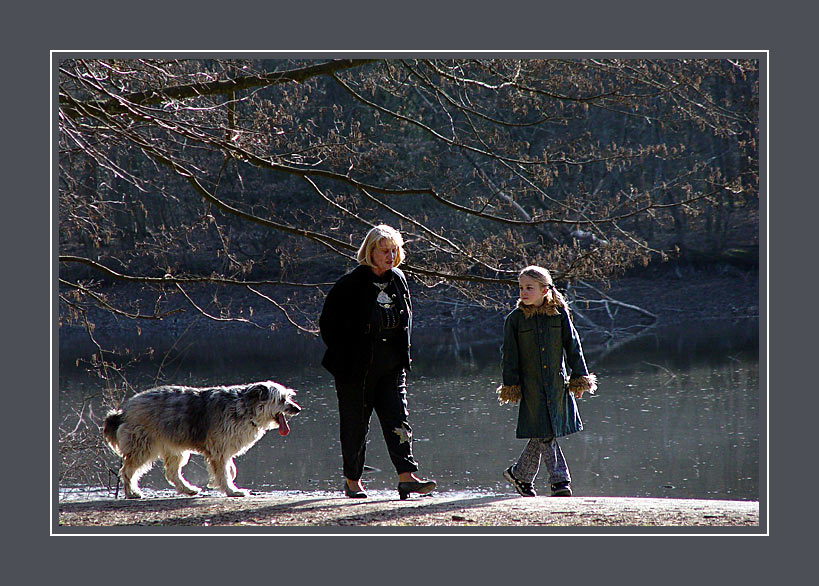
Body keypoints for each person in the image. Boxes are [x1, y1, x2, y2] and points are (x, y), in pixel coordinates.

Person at [319, 224, 436, 500]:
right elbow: (328, 326)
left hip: (392, 364)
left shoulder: (398, 278)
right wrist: (348, 353)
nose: (390, 255)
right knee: (355, 424)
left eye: (395, 250)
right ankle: (353, 481)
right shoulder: (350, 284)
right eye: (385, 250)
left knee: (399, 419)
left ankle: (407, 477)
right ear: (370, 251)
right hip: (355, 368)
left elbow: (406, 318)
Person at [496, 265, 597, 497]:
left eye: (529, 288)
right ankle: (560, 481)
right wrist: (511, 386)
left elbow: (573, 347)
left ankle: (520, 475)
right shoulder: (515, 320)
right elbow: (509, 356)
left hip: (556, 384)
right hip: (531, 387)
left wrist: (579, 379)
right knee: (546, 433)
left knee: (543, 431)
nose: (523, 292)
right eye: (521, 288)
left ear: (545, 290)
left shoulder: (559, 314)